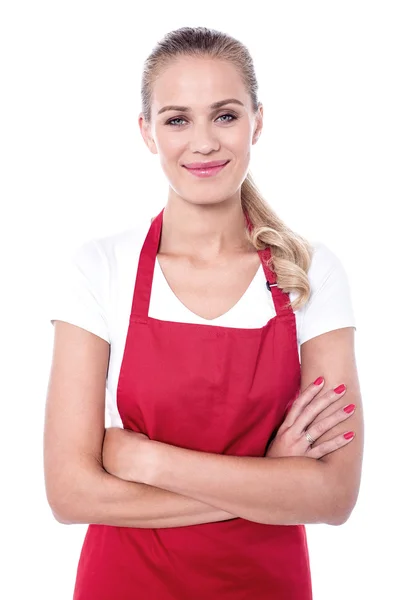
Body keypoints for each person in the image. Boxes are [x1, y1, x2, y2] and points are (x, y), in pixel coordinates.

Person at [44, 26, 364, 600]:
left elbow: (334, 496)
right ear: (147, 132)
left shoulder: (310, 275)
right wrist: (270, 478)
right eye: (176, 119)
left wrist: (144, 460)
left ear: (257, 122)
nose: (203, 143)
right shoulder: (100, 268)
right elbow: (70, 495)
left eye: (224, 116)